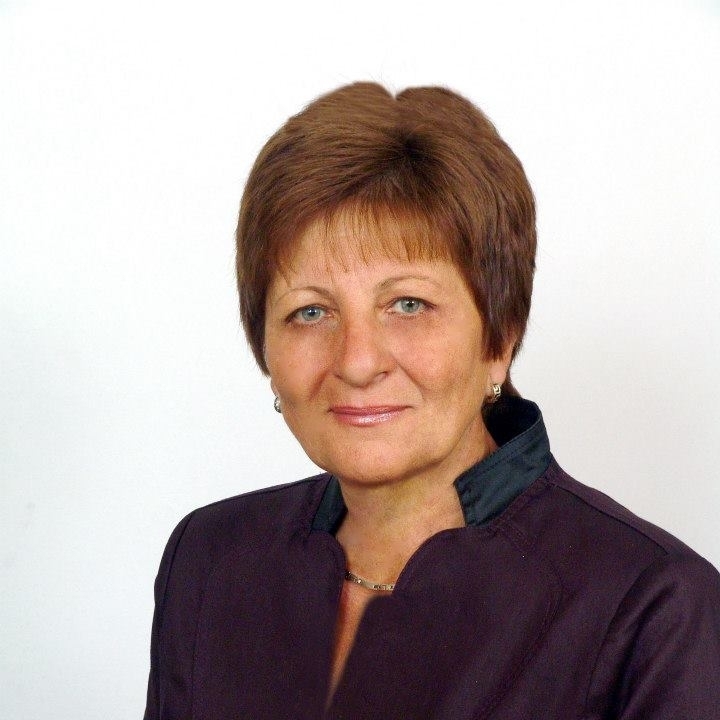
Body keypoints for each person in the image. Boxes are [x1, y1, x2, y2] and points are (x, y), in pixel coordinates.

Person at [143, 82, 720, 719]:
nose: (357, 361)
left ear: (499, 337)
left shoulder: (651, 610)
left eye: (408, 304)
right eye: (310, 312)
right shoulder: (212, 561)